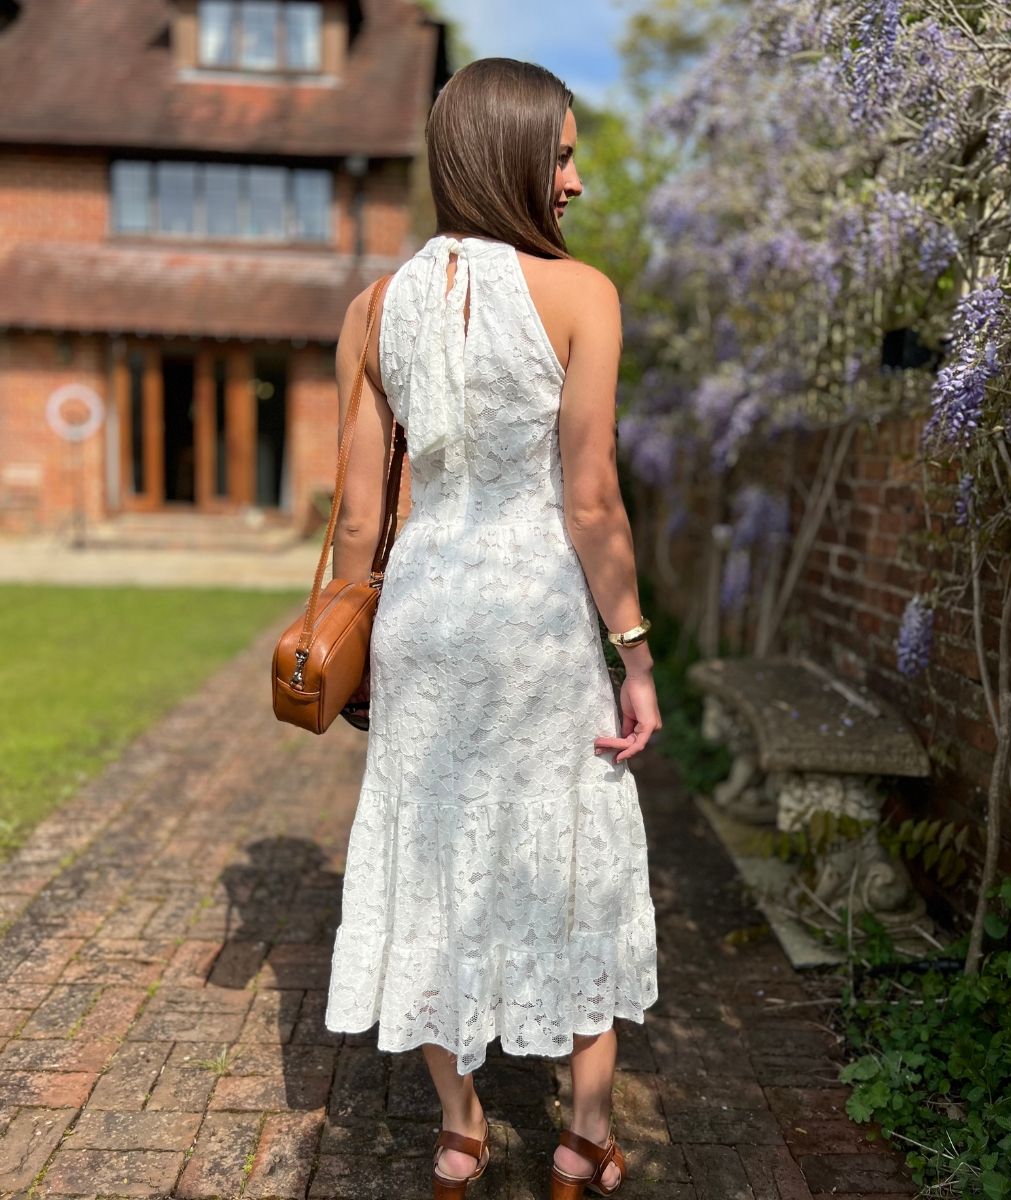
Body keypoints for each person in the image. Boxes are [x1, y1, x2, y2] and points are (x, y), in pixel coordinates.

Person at [323, 57, 661, 1199]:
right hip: (535, 618)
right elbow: (590, 500)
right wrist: (634, 654)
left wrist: (352, 639)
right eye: (559, 155)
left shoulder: (372, 311)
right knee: (575, 849)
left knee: (427, 850)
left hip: (425, 611)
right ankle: (582, 1137)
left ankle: (460, 1133)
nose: (574, 179)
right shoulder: (582, 295)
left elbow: (357, 517)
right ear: (508, 155)